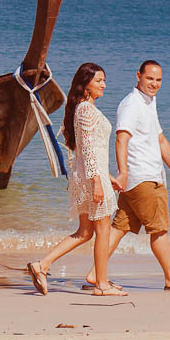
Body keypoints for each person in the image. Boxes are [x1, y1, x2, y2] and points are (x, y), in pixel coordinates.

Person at [84, 60, 170, 291]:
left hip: (137, 180)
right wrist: (123, 173)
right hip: (143, 178)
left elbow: (160, 140)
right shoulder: (132, 104)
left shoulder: (148, 102)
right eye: (149, 79)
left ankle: (95, 274)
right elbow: (121, 139)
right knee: (159, 229)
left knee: (119, 227)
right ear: (138, 76)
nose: (154, 84)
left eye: (158, 80)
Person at [27, 63, 126, 296]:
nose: (104, 84)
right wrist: (97, 181)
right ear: (85, 85)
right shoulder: (86, 110)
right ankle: (101, 284)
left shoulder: (82, 109)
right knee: (102, 230)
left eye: (103, 80)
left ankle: (42, 265)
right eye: (98, 80)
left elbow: (84, 150)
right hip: (92, 177)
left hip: (90, 175)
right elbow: (88, 149)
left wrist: (106, 176)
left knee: (85, 232)